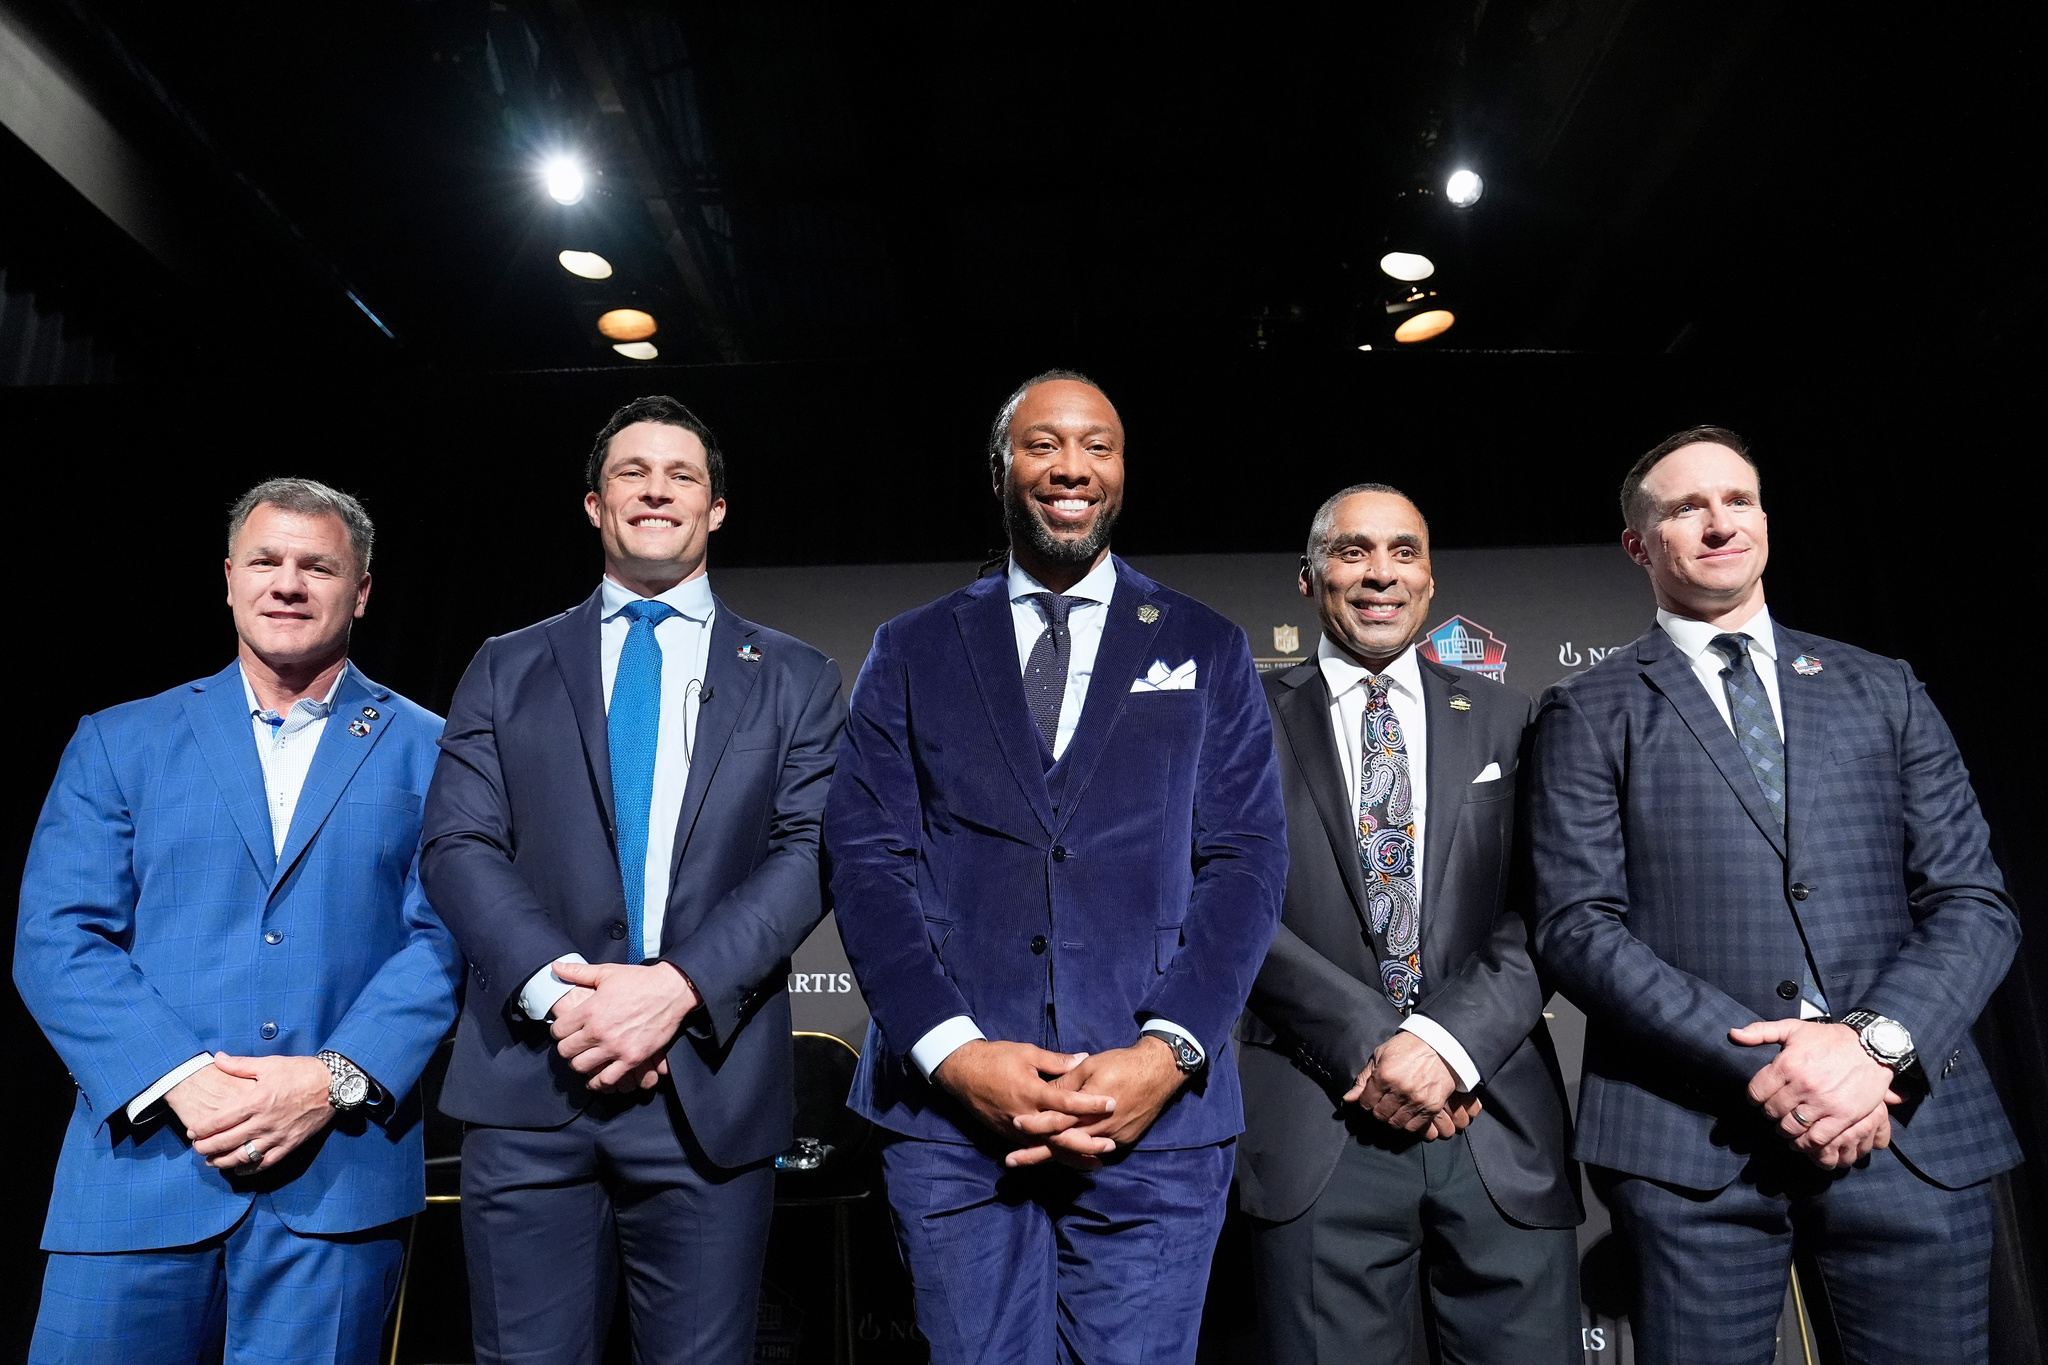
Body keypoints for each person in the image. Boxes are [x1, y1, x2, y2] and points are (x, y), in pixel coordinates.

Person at [1526, 427, 2021, 1365]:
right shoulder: (1586, 710)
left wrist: (1870, 1048)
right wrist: (1776, 1067)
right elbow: (1578, 926)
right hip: (1693, 1146)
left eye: (1739, 500)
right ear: (1638, 544)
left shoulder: (1883, 688)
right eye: (1687, 508)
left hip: (1905, 1127)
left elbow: (1973, 901)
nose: (1720, 523)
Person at [825, 370, 1288, 1365]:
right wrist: (954, 1054)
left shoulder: (1207, 644)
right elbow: (865, 861)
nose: (1070, 467)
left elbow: (1245, 862)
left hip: (1155, 1120)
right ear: (1000, 469)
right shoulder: (909, 647)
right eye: (1042, 444)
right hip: (950, 1125)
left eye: (1096, 446)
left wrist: (1164, 1054)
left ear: (1121, 470)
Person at [421, 395, 845, 1365]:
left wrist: (677, 989)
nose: (656, 490)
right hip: (532, 1084)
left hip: (707, 1093)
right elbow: (456, 845)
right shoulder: (505, 666)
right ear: (594, 504)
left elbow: (809, 852)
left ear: (716, 508)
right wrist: (568, 998)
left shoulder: (797, 678)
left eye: (681, 475)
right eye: (632, 473)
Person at [14, 478, 460, 1364]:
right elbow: (58, 939)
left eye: (317, 566)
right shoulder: (119, 739)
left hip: (334, 1186)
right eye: (266, 561)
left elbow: (446, 937)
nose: (287, 583)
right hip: (137, 1175)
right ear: (229, 580)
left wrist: (331, 1079)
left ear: (361, 591)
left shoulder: (437, 748)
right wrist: (181, 1079)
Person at [1239, 484, 1583, 1364]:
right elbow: (1224, 902)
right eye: (1352, 551)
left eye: (1404, 552)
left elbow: (1550, 903)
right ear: (1308, 576)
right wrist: (1378, 1045)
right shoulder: (1235, 718)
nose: (1380, 573)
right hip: (1317, 1120)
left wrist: (1445, 1045)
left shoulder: (1510, 716)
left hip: (1494, 1115)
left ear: (1430, 578)